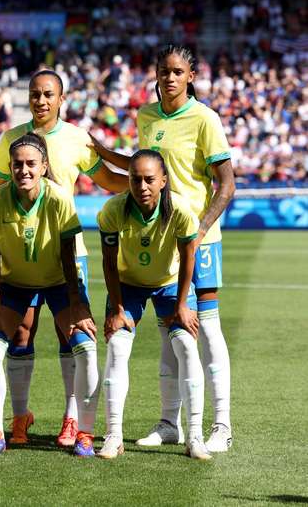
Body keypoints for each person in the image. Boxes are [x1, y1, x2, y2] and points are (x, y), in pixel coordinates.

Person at [0, 69, 127, 446]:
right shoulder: (11, 140)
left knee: (68, 333)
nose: (40, 101)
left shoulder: (76, 139)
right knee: (21, 333)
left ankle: (72, 419)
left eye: (48, 94)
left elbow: (110, 182)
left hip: (67, 255)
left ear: (61, 99)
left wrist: (144, 183)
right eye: (35, 94)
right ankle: (19, 418)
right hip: (19, 256)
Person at [91, 45, 236, 452]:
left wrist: (201, 230)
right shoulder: (146, 116)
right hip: (157, 238)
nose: (169, 78)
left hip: (196, 238)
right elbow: (144, 167)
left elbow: (226, 184)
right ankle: (169, 421)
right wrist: (103, 153)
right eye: (162, 71)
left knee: (203, 329)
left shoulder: (205, 118)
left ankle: (221, 423)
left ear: (191, 75)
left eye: (177, 71)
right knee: (168, 330)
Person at [0, 133, 99, 457]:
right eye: (18, 164)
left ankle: (84, 432)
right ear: (10, 167)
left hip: (58, 283)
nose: (24, 170)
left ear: (44, 166)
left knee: (85, 346)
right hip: (15, 285)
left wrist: (78, 304)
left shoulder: (59, 198)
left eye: (31, 163)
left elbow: (68, 255)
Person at [96, 149, 211, 460]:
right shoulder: (113, 209)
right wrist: (117, 309)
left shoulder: (181, 211)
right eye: (135, 179)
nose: (142, 186)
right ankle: (113, 435)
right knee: (118, 346)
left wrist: (183, 305)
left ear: (163, 181)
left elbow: (189, 259)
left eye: (149, 179)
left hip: (170, 284)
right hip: (128, 285)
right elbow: (108, 263)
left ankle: (195, 436)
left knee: (186, 346)